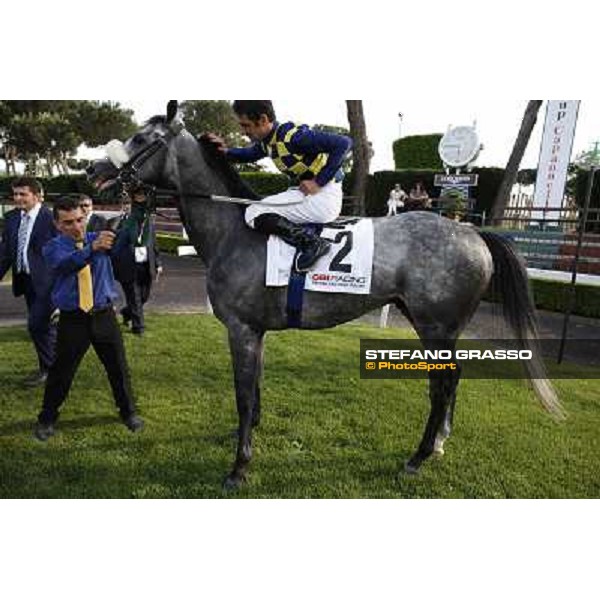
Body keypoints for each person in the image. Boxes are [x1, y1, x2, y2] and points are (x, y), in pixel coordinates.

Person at [34, 196, 146, 442]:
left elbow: (127, 232)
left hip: (104, 316)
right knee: (61, 372)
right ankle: (47, 418)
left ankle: (128, 413)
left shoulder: (99, 239)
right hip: (73, 319)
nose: (76, 227)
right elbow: (65, 265)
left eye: (79, 220)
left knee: (118, 368)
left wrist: (138, 206)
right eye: (68, 223)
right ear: (57, 225)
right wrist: (90, 249)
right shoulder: (53, 247)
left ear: (85, 217)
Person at [205, 100, 353, 272]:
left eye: (246, 125)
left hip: (323, 199)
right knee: (260, 205)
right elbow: (249, 154)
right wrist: (225, 152)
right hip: (312, 196)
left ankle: (312, 243)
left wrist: (318, 182)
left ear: (262, 119)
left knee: (254, 212)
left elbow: (343, 143)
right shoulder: (268, 141)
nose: (243, 132)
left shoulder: (294, 138)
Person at [0, 177, 58, 386]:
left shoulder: (52, 218)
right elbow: (5, 253)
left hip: (48, 284)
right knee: (44, 327)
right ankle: (53, 366)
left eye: (23, 194)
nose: (17, 198)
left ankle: (49, 369)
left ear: (36, 195)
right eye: (15, 194)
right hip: (25, 281)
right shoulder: (12, 218)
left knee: (36, 325)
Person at [111, 191, 162, 336]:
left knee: (144, 297)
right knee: (134, 297)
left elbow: (154, 244)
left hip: (146, 266)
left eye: (130, 204)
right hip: (128, 265)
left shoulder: (147, 222)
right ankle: (139, 328)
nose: (128, 207)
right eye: (126, 204)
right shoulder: (119, 222)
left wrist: (158, 263)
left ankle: (126, 313)